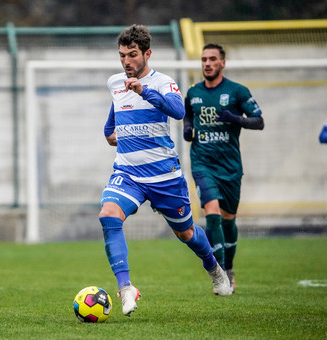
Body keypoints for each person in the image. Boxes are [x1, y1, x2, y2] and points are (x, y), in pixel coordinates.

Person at [100, 25, 232, 317]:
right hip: (128, 173)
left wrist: (144, 91)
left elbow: (178, 110)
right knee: (108, 214)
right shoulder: (115, 83)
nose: (126, 61)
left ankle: (214, 267)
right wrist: (112, 133)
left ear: (147, 53)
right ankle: (125, 288)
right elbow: (112, 122)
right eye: (122, 55)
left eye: (132, 55)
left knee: (186, 233)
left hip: (164, 177)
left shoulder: (162, 82)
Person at [183, 43, 264, 293]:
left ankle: (229, 268)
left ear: (222, 63)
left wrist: (236, 119)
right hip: (202, 163)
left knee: (228, 220)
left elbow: (259, 121)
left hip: (230, 166)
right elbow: (188, 114)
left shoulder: (237, 91)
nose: (207, 63)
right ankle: (218, 274)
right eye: (204, 59)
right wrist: (188, 128)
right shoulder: (193, 92)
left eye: (212, 59)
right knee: (212, 213)